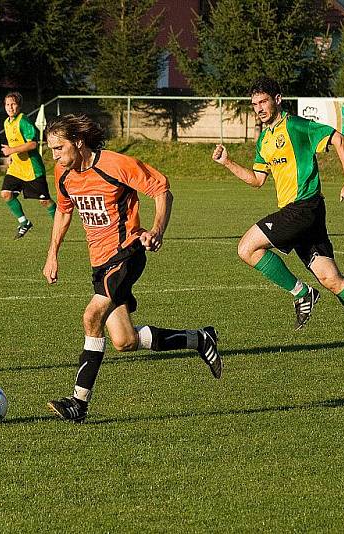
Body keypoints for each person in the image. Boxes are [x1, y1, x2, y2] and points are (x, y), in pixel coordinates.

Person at [42, 114, 222, 423]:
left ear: (78, 142)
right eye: (52, 150)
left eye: (59, 148)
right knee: (124, 341)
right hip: (99, 263)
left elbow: (162, 189)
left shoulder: (116, 165)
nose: (55, 156)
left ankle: (78, 403)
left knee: (91, 316)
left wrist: (156, 230)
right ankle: (199, 339)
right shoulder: (63, 174)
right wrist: (52, 254)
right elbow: (63, 210)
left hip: (126, 253)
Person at [212, 77, 344, 357]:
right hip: (303, 213)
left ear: (278, 99)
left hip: (303, 208)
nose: (259, 108)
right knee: (331, 278)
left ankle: (301, 293)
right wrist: (227, 163)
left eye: (263, 101)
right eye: (254, 104)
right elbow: (257, 180)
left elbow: (340, 139)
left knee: (246, 248)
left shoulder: (296, 126)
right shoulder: (264, 139)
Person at [0, 92, 57, 239]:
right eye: (7, 104)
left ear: (19, 106)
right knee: (6, 194)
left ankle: (59, 227)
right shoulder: (7, 123)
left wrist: (11, 150)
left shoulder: (23, 120)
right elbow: (15, 143)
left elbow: (33, 144)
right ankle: (24, 222)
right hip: (17, 168)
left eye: (13, 104)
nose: (10, 107)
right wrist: (11, 157)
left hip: (32, 168)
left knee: (44, 201)